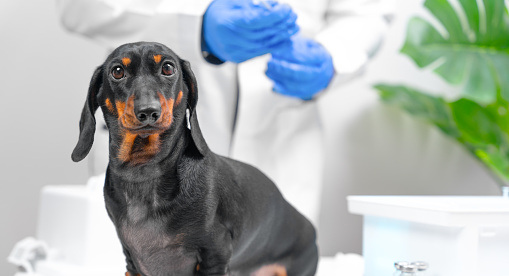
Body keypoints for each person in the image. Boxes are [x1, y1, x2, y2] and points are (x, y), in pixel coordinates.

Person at [57, 0, 393, 227]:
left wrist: (333, 57)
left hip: (281, 138)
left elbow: (363, 13)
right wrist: (191, 27)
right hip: (149, 144)